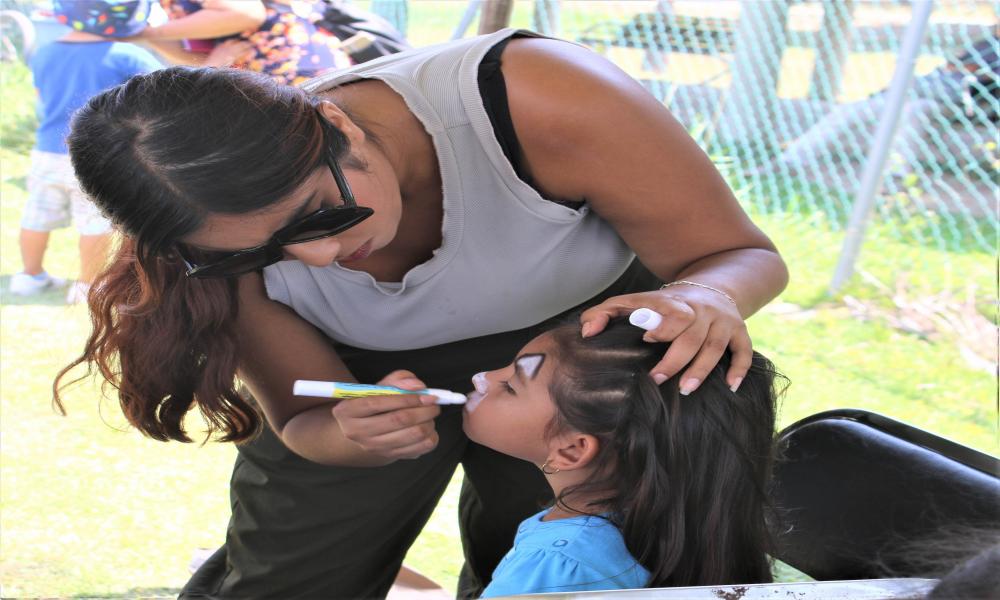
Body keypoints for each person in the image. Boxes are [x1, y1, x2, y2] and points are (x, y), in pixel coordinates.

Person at [58, 28, 788, 598]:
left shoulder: (535, 97)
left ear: (337, 125)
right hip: (355, 369)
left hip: (572, 363)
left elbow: (736, 253)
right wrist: (346, 437)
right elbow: (303, 415)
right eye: (264, 253)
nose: (320, 260)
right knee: (293, 578)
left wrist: (703, 297)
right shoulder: (206, 246)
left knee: (562, 555)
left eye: (317, 216)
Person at [461, 317, 783, 596]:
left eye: (511, 386)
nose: (483, 377)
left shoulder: (553, 568)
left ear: (572, 450)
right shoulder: (681, 527)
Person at [10, 0, 163, 303]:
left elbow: (42, 96)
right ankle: (87, 284)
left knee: (37, 215)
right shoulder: (128, 55)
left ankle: (29, 276)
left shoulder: (45, 52)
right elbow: (163, 95)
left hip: (46, 151)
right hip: (96, 155)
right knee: (95, 219)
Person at [132, 0, 357, 86]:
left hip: (301, 69)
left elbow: (246, 12)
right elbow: (201, 53)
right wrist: (143, 35)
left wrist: (152, 32)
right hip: (269, 83)